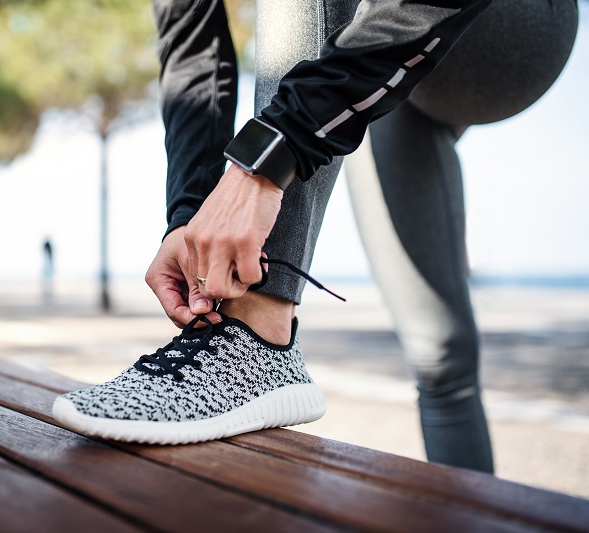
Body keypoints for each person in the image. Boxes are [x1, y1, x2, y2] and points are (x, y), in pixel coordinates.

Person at [53, 0, 578, 472]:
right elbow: (192, 51)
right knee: (440, 360)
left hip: (513, 31)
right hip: (380, 69)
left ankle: (257, 336)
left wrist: (263, 165)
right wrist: (188, 218)